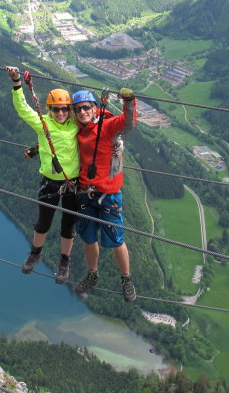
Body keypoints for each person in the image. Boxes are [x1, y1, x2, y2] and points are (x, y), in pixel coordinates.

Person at [6, 66, 80, 284]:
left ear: (70, 110)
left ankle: (64, 261)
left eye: (64, 109)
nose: (60, 113)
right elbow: (22, 109)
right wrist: (17, 83)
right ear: (50, 109)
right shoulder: (43, 124)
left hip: (73, 184)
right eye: (56, 109)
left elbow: (95, 120)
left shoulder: (76, 125)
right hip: (50, 182)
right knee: (43, 223)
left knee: (68, 226)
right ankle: (35, 253)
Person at [72, 87, 137, 302]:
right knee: (88, 239)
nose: (82, 112)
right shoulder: (77, 130)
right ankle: (92, 274)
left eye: (86, 107)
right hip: (86, 192)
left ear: (94, 108)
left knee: (117, 240)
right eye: (78, 109)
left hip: (108, 193)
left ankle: (126, 279)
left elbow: (127, 123)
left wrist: (129, 101)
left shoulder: (107, 126)